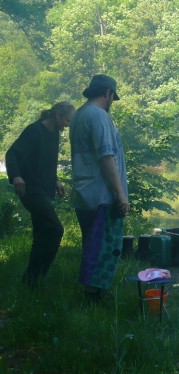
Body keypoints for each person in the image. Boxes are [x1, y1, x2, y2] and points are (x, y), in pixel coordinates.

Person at [69, 74, 130, 303]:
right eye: (113, 97)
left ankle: (90, 292)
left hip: (84, 193)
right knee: (105, 246)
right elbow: (106, 157)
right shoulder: (99, 116)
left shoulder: (78, 115)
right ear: (108, 93)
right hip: (102, 195)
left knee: (92, 245)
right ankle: (95, 296)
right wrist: (120, 194)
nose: (112, 101)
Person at [5, 101, 75, 286]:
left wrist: (55, 180)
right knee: (56, 229)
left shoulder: (54, 135)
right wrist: (16, 176)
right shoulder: (34, 130)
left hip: (44, 189)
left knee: (42, 233)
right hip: (30, 189)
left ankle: (31, 281)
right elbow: (12, 154)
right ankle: (37, 275)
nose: (67, 125)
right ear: (57, 116)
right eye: (67, 121)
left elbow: (47, 162)